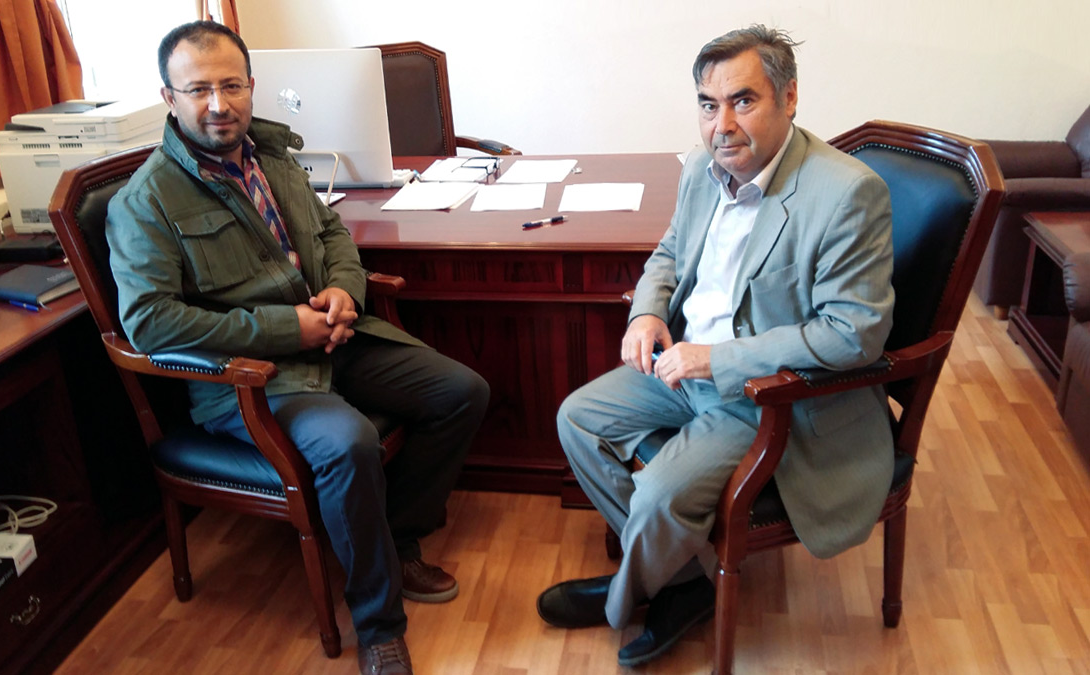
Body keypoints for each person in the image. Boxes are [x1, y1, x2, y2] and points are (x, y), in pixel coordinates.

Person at [106, 21, 489, 675]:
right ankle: (378, 624)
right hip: (252, 378)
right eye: (198, 89)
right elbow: (148, 322)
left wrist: (343, 290)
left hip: (332, 339)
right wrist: (288, 329)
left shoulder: (273, 156)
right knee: (349, 443)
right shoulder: (145, 201)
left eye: (231, 85)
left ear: (252, 86)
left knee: (461, 392)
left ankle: (396, 540)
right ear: (169, 97)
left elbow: (332, 233)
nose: (218, 104)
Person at [537, 25, 896, 667]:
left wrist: (717, 359)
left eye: (743, 101)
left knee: (657, 494)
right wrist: (648, 313)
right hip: (682, 368)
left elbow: (854, 333)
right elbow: (670, 252)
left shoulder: (846, 192)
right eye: (709, 105)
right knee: (577, 418)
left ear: (789, 97)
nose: (721, 125)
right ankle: (682, 582)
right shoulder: (703, 170)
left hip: (767, 396)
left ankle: (624, 596)